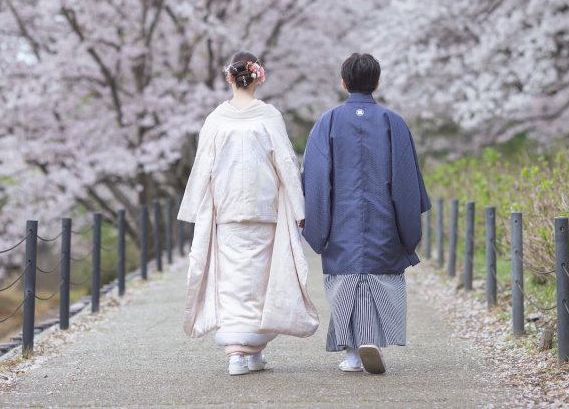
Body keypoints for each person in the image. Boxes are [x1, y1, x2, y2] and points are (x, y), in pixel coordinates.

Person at [178, 51, 319, 376]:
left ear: (230, 78)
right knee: (260, 283)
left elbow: (202, 167)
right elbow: (286, 162)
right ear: (257, 76)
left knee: (232, 282)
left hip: (226, 210)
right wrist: (299, 208)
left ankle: (240, 356)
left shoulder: (217, 118)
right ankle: (248, 353)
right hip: (263, 208)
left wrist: (193, 209)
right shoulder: (269, 116)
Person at [301, 53, 431, 374]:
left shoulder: (327, 122)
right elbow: (406, 183)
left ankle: (352, 354)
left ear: (343, 83)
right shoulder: (393, 122)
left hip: (340, 223)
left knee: (346, 284)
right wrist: (408, 231)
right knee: (377, 279)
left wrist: (316, 227)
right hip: (383, 222)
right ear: (377, 82)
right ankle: (371, 339)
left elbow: (316, 180)